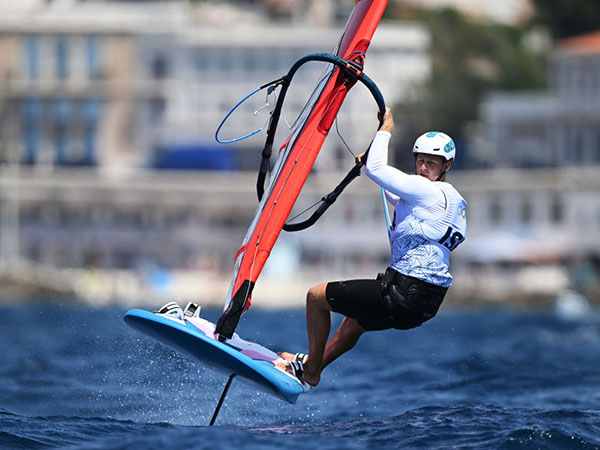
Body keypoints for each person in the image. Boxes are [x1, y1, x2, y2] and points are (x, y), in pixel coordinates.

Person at [275, 107, 467, 389]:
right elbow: (395, 191)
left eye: (432, 163)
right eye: (421, 161)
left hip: (403, 291)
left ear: (446, 166)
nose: (424, 167)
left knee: (316, 297)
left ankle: (311, 369)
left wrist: (385, 128)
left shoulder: (426, 190)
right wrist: (371, 167)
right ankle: (311, 367)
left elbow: (381, 172)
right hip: (427, 303)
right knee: (354, 322)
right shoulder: (452, 201)